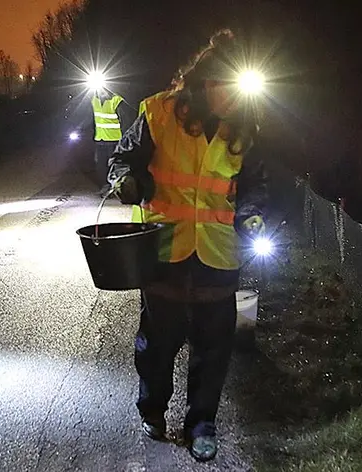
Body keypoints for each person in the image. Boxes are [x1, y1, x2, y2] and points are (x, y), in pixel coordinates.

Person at [108, 29, 268, 462]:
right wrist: (126, 180)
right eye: (223, 88)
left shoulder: (246, 130)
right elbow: (123, 158)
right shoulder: (159, 112)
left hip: (218, 253)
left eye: (239, 92)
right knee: (158, 345)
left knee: (213, 349)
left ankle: (201, 425)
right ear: (204, 82)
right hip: (164, 250)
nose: (231, 99)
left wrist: (251, 211)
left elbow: (253, 184)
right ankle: (153, 410)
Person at [91, 86, 134, 196]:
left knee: (114, 165)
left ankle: (116, 188)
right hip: (100, 139)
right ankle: (105, 187)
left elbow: (126, 121)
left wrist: (125, 140)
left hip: (114, 140)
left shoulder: (116, 101)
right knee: (100, 165)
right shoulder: (93, 100)